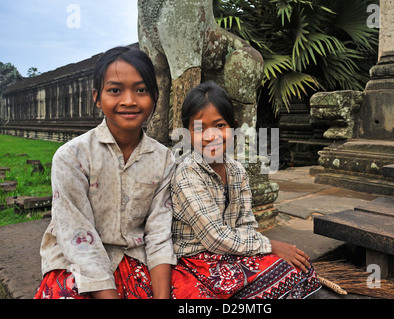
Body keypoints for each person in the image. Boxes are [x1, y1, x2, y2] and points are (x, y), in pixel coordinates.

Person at [34, 46, 177, 299]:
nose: (129, 100)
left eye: (141, 90)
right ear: (97, 97)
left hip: (134, 257)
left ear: (155, 96)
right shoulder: (72, 157)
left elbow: (158, 234)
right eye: (115, 90)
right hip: (75, 263)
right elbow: (78, 237)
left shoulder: (164, 159)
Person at [170, 81, 321, 299]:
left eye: (220, 125)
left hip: (231, 251)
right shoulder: (188, 173)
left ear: (234, 128)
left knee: (298, 271)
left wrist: (263, 250)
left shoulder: (237, 171)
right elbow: (214, 238)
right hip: (195, 258)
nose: (211, 136)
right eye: (200, 128)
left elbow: (246, 224)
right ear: (187, 135)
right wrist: (271, 245)